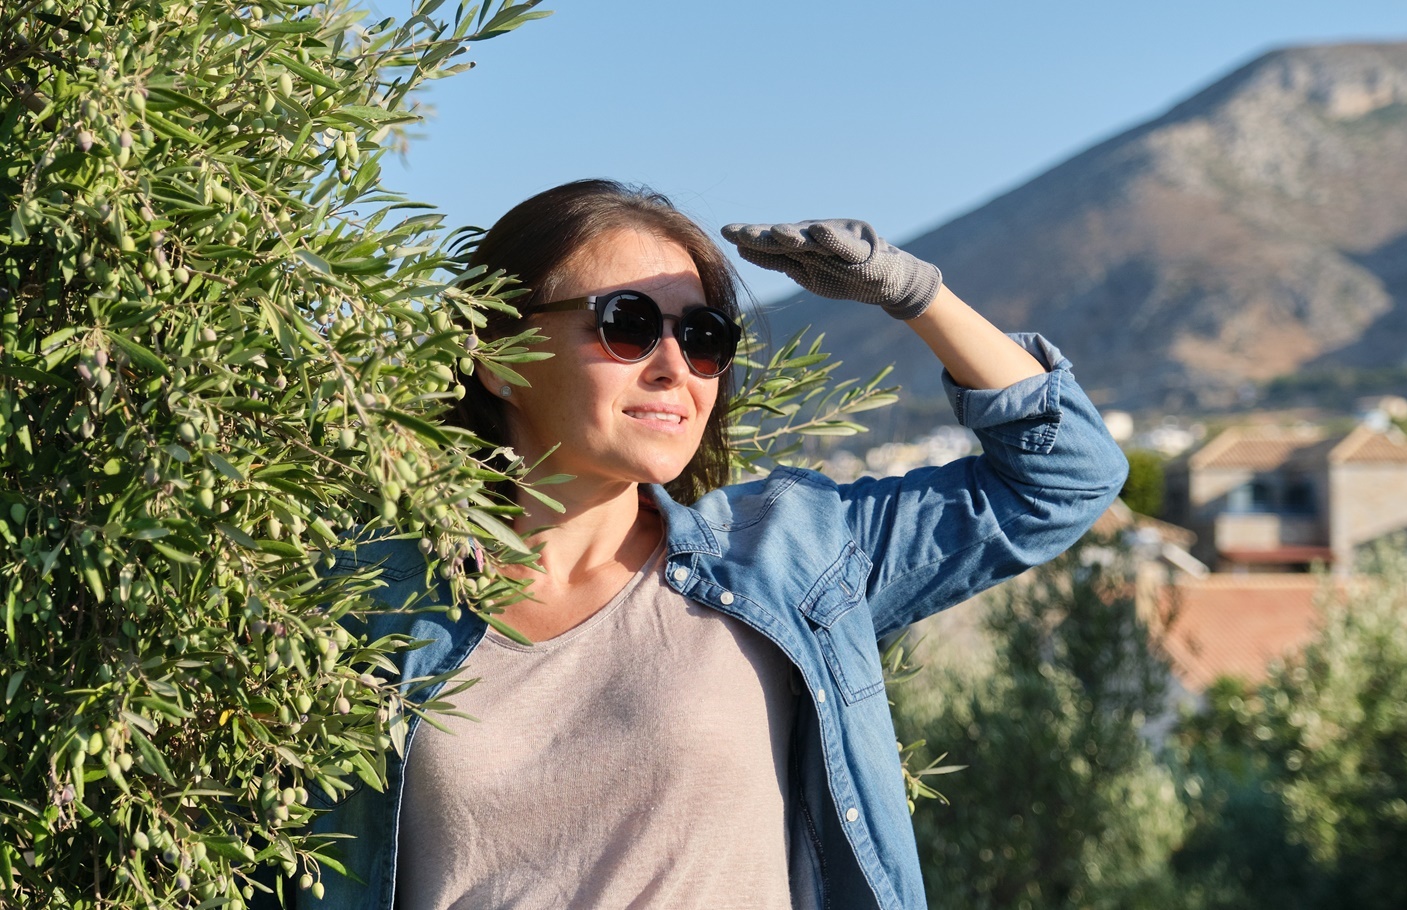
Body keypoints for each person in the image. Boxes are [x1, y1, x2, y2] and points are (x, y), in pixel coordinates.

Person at [298, 179, 1128, 910]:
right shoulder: (361, 600)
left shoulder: (786, 555)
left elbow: (1066, 477)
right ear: (497, 358)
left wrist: (915, 295)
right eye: (626, 324)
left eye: (703, 338)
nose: (675, 366)